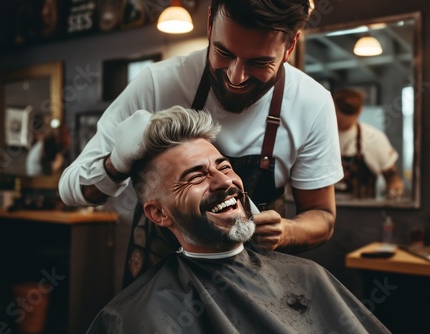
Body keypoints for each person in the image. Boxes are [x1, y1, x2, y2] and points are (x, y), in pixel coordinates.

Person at [59, 0, 343, 286]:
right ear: (210, 24)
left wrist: (287, 230)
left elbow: (322, 216)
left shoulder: (311, 103)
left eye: (259, 62)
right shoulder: (159, 84)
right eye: (223, 52)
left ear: (290, 46)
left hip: (254, 286)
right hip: (159, 285)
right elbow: (71, 190)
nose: (236, 76)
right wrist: (116, 163)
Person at [86, 106, 388, 334]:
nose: (224, 182)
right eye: (196, 177)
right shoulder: (132, 316)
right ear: (159, 213)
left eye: (225, 166)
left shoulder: (308, 277)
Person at [332, 88, 404, 199]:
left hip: (364, 213)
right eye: (340, 112)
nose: (343, 119)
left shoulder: (374, 138)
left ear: (359, 111)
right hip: (324, 212)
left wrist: (394, 194)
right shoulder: (318, 137)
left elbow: (392, 178)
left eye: (349, 113)